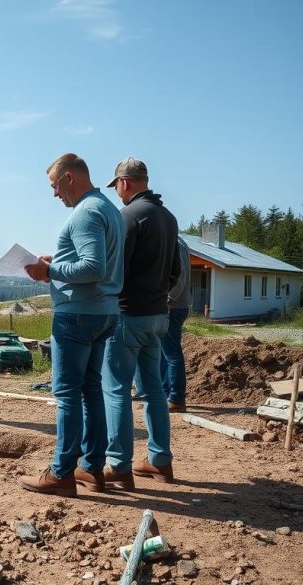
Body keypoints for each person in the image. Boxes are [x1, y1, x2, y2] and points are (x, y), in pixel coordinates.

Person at [18, 153, 123, 497]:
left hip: (78, 313)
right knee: (91, 388)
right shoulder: (107, 208)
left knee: (66, 393)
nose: (53, 194)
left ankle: (62, 472)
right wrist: (58, 260)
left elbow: (93, 267)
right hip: (103, 312)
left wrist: (48, 271)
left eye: (54, 185)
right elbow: (95, 261)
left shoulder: (85, 213)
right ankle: (91, 468)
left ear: (68, 178)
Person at [102, 157, 180, 489]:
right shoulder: (168, 217)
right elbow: (176, 269)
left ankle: (118, 466)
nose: (117, 192)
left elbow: (113, 268)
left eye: (117, 186)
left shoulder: (128, 216)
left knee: (116, 389)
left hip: (127, 316)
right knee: (154, 392)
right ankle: (160, 461)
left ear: (124, 182)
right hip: (157, 317)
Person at [163, 237, 192, 412]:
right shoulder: (175, 241)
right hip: (173, 305)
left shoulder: (176, 243)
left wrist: (169, 299)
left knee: (171, 352)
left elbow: (179, 275)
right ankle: (167, 394)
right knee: (164, 352)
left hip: (173, 306)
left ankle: (176, 398)